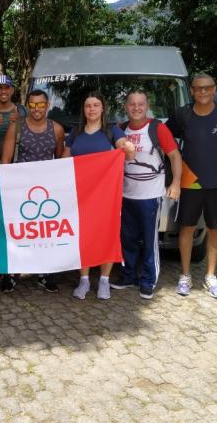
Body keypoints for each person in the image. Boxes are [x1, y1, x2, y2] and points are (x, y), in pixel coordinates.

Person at [63, 92, 136, 300]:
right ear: (83, 109)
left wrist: (129, 148)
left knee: (107, 234)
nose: (92, 109)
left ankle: (104, 280)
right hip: (80, 194)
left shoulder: (112, 131)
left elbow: (128, 153)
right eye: (88, 105)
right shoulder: (76, 132)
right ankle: (84, 279)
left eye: (96, 105)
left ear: (103, 108)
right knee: (83, 235)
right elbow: (64, 159)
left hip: (106, 195)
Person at [166, 73, 217, 299]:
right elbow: (164, 136)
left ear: (214, 89)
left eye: (207, 88)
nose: (203, 92)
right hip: (190, 183)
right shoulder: (183, 115)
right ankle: (185, 275)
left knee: (215, 230)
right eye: (198, 88)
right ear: (192, 91)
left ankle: (210, 276)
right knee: (187, 228)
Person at [111, 90, 181, 300]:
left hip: (150, 195)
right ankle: (129, 276)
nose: (136, 108)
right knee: (127, 239)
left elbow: (174, 156)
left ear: (147, 106)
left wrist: (176, 182)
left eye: (140, 104)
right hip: (126, 194)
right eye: (132, 104)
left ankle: (148, 281)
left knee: (150, 242)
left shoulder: (157, 128)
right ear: (126, 107)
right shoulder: (120, 129)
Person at [0, 89, 65, 292]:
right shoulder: (16, 127)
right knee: (18, 231)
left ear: (47, 106)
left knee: (44, 232)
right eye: (33, 105)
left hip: (46, 190)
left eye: (41, 104)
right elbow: (5, 160)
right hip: (19, 189)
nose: (37, 109)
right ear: (28, 106)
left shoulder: (57, 129)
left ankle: (44, 273)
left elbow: (60, 160)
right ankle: (12, 272)